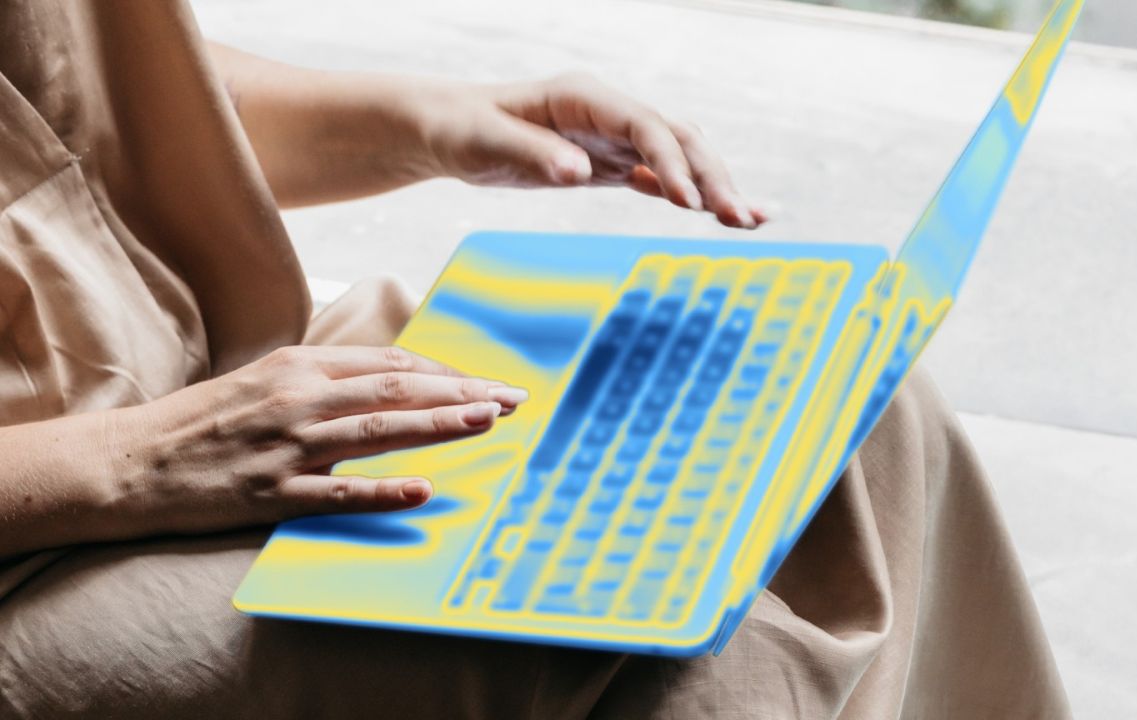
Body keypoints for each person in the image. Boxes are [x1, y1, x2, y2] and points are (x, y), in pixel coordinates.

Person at [0, 2, 1070, 718]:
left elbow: (91, 88)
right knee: (681, 669)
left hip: (218, 362)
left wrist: (431, 122)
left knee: (847, 402)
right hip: (45, 513)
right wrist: (133, 461)